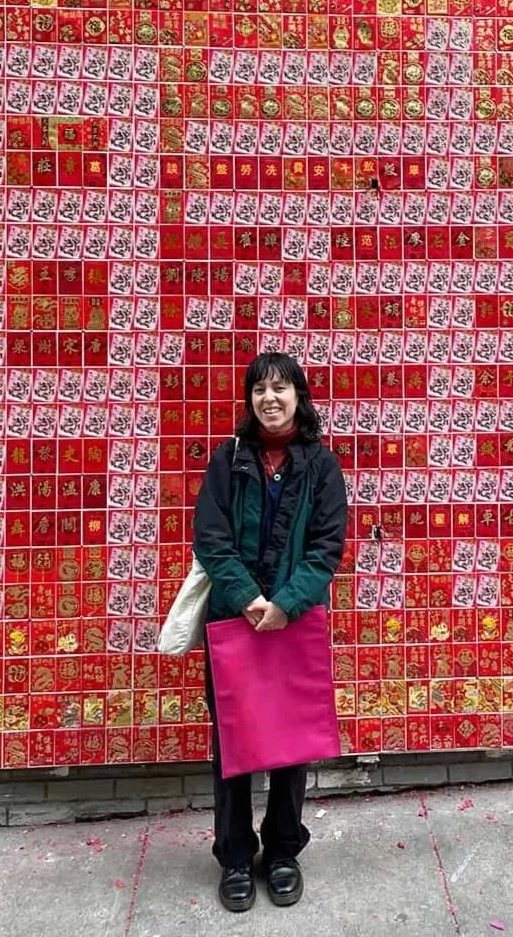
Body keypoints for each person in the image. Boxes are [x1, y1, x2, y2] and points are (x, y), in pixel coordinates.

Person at [192, 352, 348, 912]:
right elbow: (211, 541)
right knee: (233, 745)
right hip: (235, 621)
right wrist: (249, 599)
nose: (270, 398)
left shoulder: (321, 467)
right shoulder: (229, 460)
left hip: (293, 624)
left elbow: (326, 548)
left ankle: (282, 851)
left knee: (291, 746)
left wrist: (283, 603)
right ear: (250, 399)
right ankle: (235, 856)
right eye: (259, 389)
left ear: (298, 397)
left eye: (281, 388)